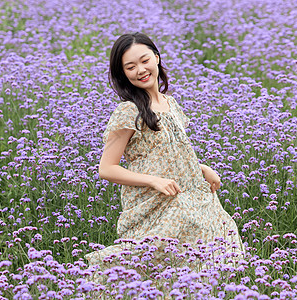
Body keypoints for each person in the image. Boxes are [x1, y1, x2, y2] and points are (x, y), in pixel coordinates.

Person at [85, 32, 244, 278]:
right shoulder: (128, 111)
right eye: (130, 67)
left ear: (157, 58)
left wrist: (202, 168)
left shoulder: (171, 104)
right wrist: (153, 180)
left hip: (190, 194)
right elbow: (107, 169)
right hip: (154, 202)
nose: (140, 69)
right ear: (123, 74)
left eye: (144, 60)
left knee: (214, 250)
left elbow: (169, 151)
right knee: (151, 263)